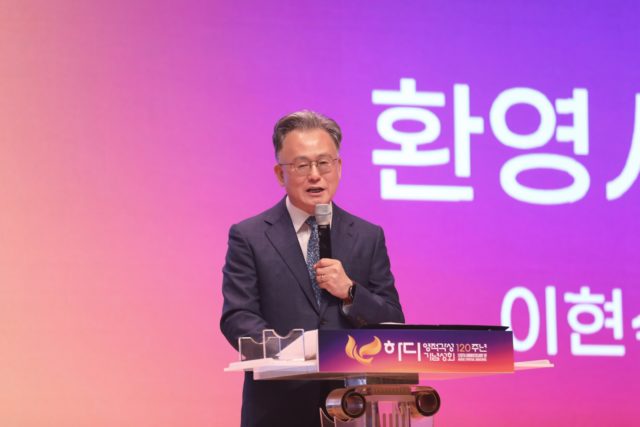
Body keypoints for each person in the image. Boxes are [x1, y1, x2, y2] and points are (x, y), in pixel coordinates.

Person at [220, 110, 404, 427]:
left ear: (339, 167)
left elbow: (393, 320)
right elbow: (238, 317)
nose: (315, 175)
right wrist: (295, 353)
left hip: (352, 406)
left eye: (324, 163)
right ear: (280, 174)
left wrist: (351, 291)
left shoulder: (368, 236)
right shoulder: (250, 236)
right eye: (302, 165)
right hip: (278, 408)